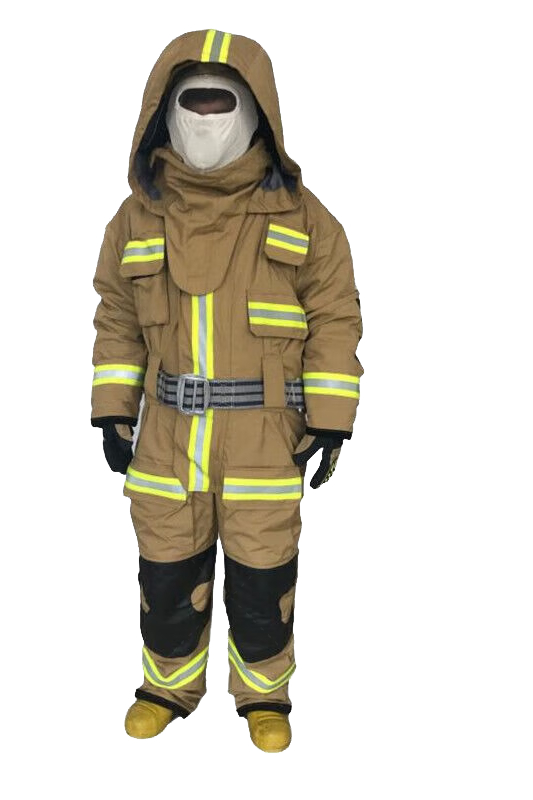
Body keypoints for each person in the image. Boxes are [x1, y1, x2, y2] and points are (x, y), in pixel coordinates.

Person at [90, 28, 363, 753]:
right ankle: (166, 688)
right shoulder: (136, 218)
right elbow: (117, 317)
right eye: (194, 102)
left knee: (262, 575)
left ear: (257, 109)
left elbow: (336, 317)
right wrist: (113, 409)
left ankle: (265, 696)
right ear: (164, 111)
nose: (207, 118)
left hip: (264, 436)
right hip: (167, 433)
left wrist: (331, 418)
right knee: (167, 572)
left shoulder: (304, 217)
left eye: (223, 102)